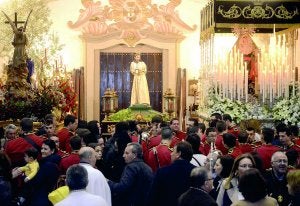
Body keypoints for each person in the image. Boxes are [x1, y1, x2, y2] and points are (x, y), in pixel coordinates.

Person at [148, 141, 195, 206]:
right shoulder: (196, 172)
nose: (171, 154)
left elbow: (153, 197)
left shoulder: (162, 172)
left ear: (179, 154)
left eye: (173, 151)